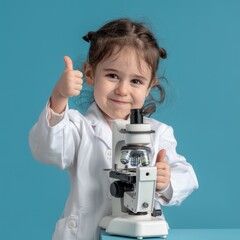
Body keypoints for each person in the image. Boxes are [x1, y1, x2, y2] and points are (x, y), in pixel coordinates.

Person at [29, 18, 198, 240]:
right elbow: (47, 151)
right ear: (90, 74)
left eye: (136, 81)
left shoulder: (158, 133)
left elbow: (188, 177)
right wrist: (59, 96)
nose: (122, 90)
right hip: (83, 233)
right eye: (112, 75)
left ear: (150, 86)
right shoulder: (78, 127)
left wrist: (165, 181)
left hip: (137, 232)